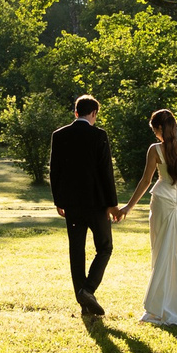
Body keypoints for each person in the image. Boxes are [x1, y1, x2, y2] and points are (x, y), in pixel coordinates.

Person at [119, 106, 177, 326]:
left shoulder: (155, 149)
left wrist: (129, 207)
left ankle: (162, 304)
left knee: (162, 250)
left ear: (160, 128)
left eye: (155, 130)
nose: (155, 135)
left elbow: (145, 181)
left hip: (163, 200)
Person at [47, 94, 122, 316]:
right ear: (94, 113)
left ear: (76, 112)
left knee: (76, 251)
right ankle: (88, 290)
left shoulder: (59, 135)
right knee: (105, 247)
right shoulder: (99, 136)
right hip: (97, 203)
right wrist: (112, 204)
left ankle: (84, 302)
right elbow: (106, 172)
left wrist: (59, 200)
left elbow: (55, 171)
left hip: (72, 204)